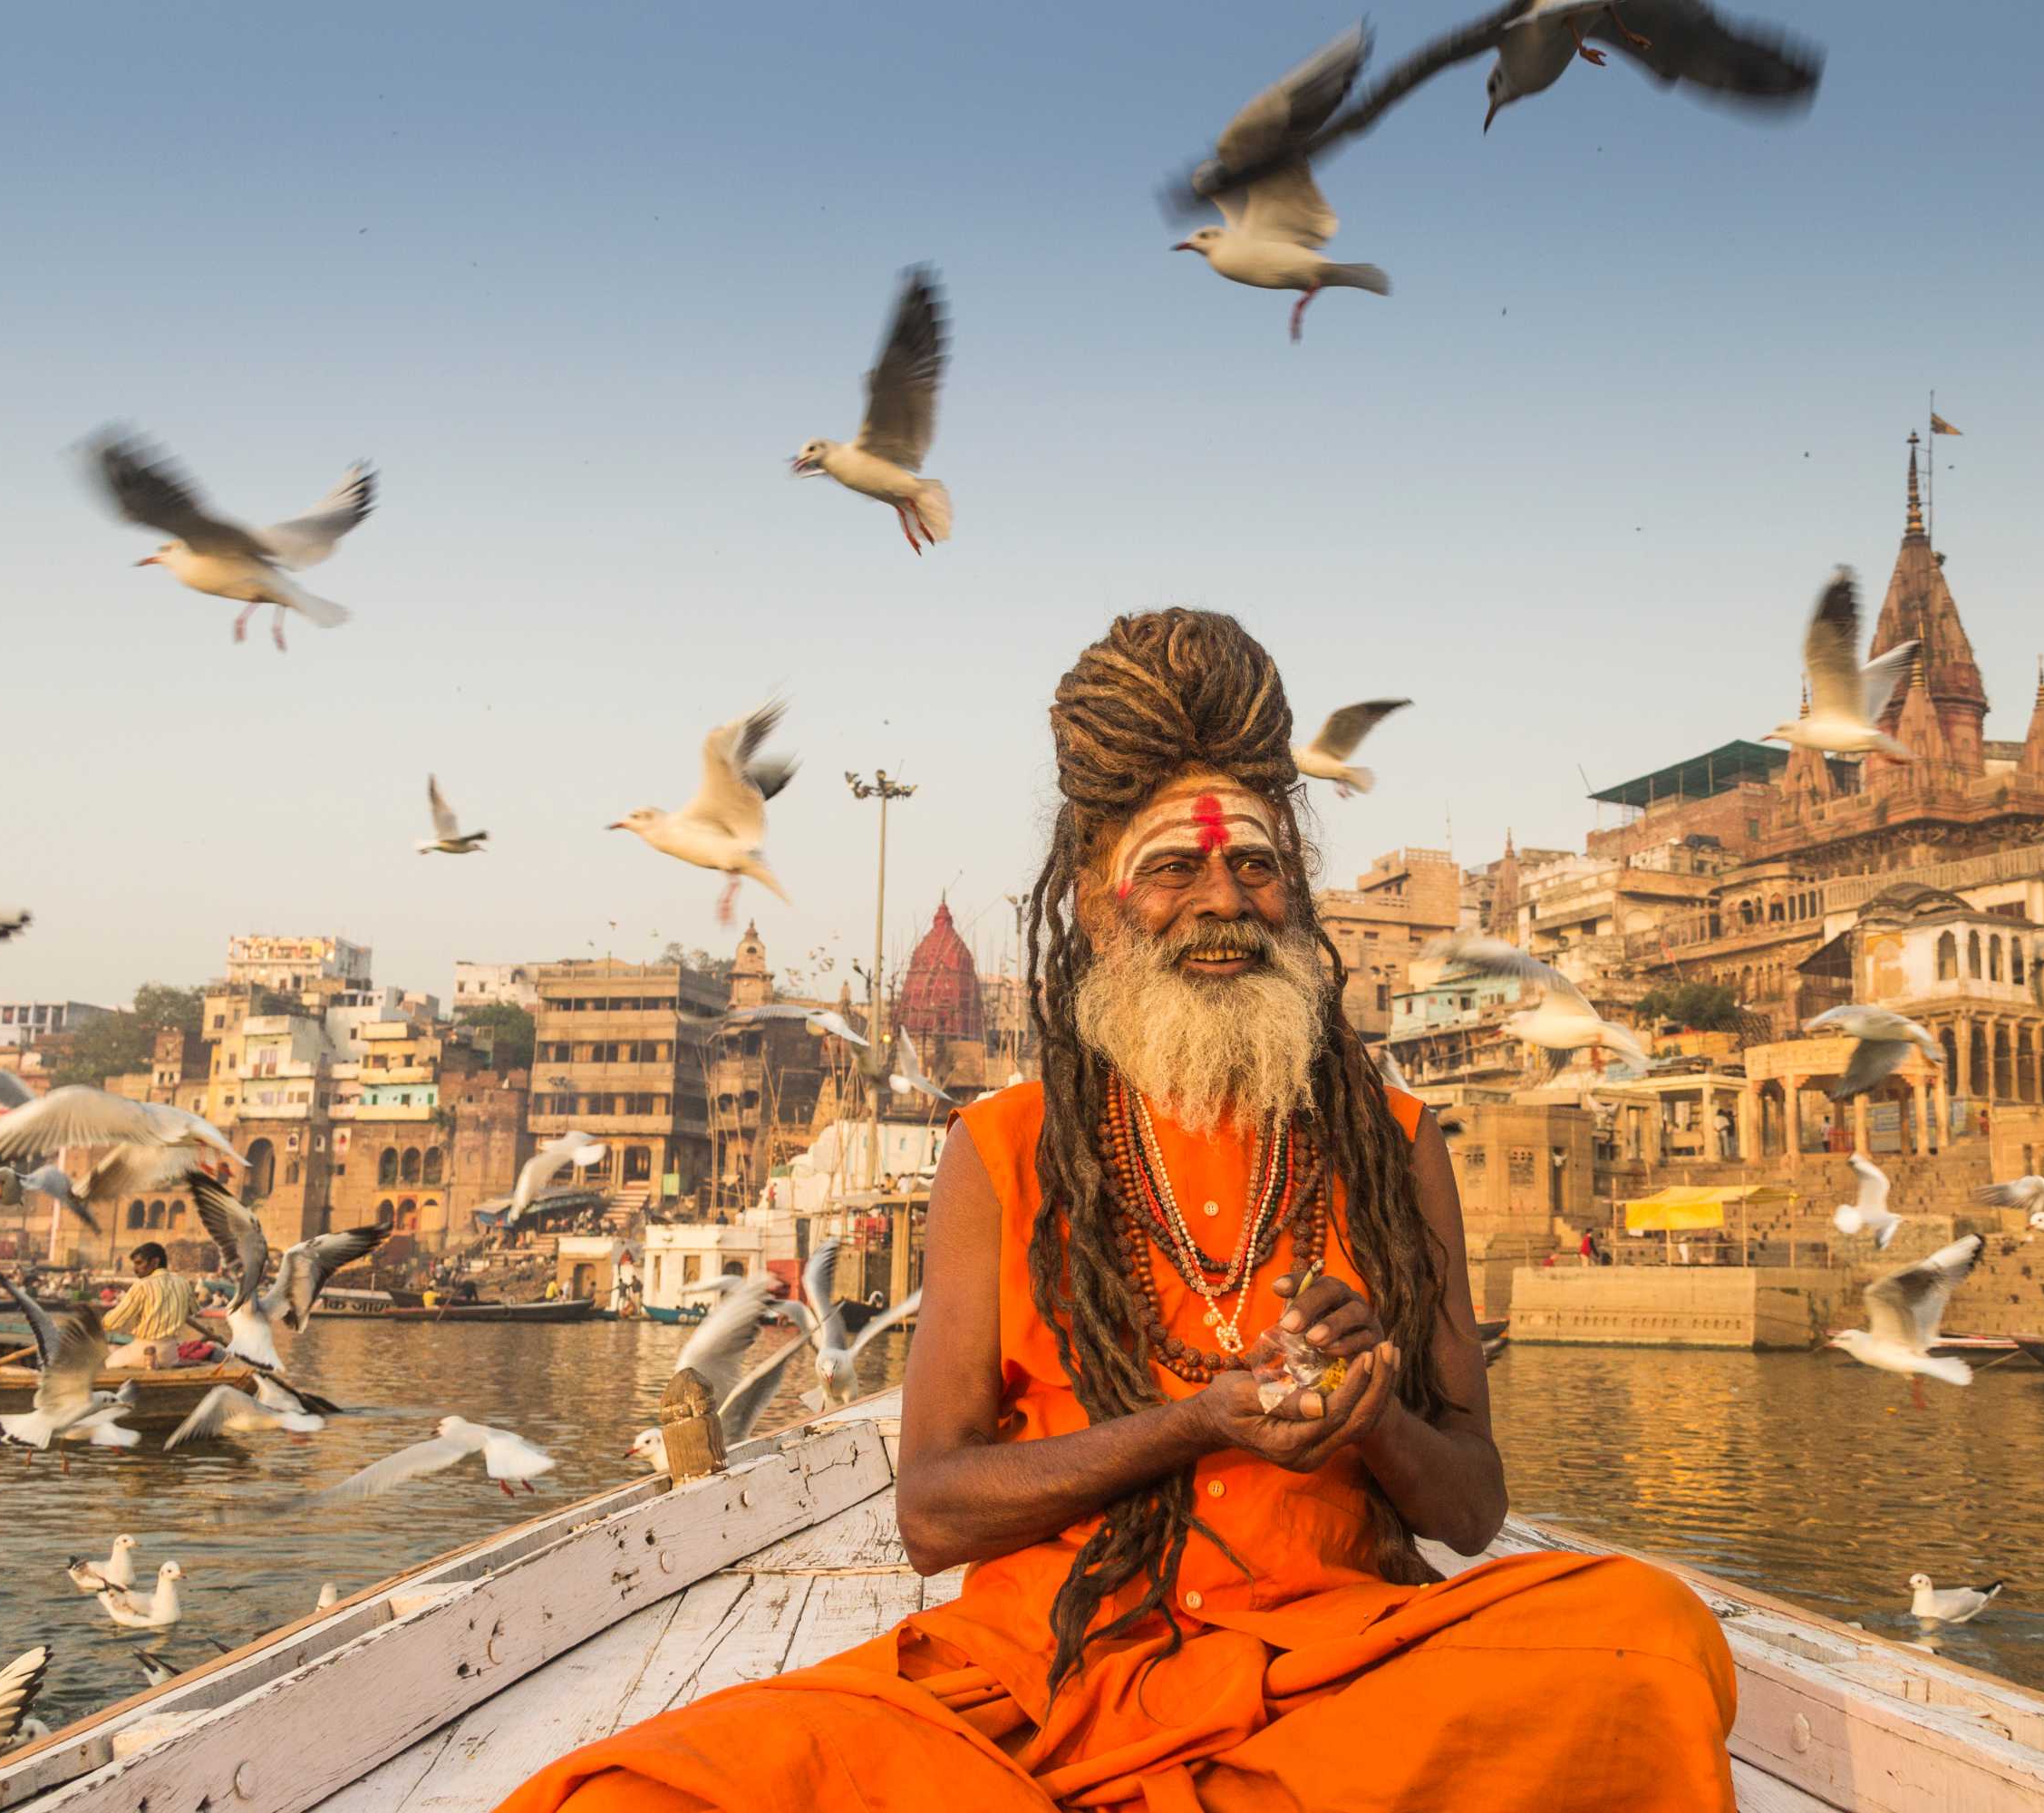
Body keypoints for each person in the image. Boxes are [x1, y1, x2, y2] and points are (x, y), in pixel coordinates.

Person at [498, 611, 1737, 1812]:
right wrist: (1200, 1424)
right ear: (1097, 903)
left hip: (1332, 1668)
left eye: (1254, 863)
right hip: (1042, 1677)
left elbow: (1469, 1509)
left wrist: (1374, 1420)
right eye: (1172, 868)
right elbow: (933, 1514)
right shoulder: (1004, 1147)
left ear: (1294, 893)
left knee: (1650, 1640)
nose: (1220, 900)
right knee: (623, 1796)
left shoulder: (1395, 1142)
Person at [104, 1241, 205, 1368]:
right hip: (170, 1355)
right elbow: (194, 1311)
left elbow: (113, 1322)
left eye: (139, 1263)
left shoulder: (142, 1285)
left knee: (106, 1364)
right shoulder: (183, 1283)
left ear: (155, 1262)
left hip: (144, 1351)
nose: (135, 1269)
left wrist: (97, 1322)